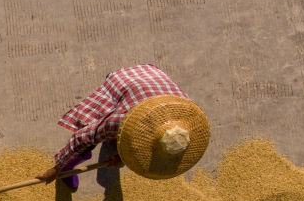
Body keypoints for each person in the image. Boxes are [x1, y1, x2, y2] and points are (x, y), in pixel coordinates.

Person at [36, 64, 191, 191]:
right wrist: (57, 168)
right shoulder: (120, 120)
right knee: (89, 140)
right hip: (121, 82)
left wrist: (124, 158)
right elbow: (82, 137)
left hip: (150, 74)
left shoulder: (186, 113)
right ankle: (67, 168)